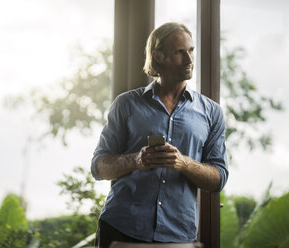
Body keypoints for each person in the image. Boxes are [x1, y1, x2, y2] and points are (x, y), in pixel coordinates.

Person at [91, 22, 228, 247]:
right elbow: (99, 167)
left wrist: (183, 163)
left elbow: (219, 179)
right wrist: (137, 160)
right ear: (158, 56)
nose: (189, 60)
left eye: (191, 51)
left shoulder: (211, 112)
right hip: (121, 229)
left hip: (179, 235)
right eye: (180, 52)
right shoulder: (126, 104)